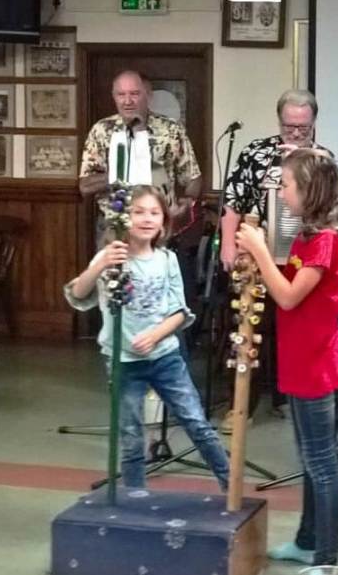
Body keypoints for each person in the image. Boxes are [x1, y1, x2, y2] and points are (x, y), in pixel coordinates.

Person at [64, 185, 229, 491]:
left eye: (154, 213)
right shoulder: (111, 258)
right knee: (130, 434)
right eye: (138, 212)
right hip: (124, 361)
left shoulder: (166, 260)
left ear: (164, 221)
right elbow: (77, 294)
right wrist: (100, 264)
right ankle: (135, 497)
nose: (146, 219)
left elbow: (181, 312)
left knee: (196, 421)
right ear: (123, 218)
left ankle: (229, 486)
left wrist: (155, 335)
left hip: (165, 357)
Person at [234, 149, 338, 567]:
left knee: (322, 464)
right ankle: (306, 541)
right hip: (300, 360)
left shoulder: (326, 241)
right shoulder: (306, 235)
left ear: (309, 190)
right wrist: (256, 260)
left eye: (286, 186)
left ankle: (327, 557)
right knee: (308, 459)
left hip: (317, 364)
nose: (281, 195)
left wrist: (260, 250)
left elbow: (287, 298)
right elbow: (282, 282)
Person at [217, 89, 331, 432]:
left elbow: (332, 209)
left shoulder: (322, 158)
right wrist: (227, 245)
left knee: (295, 331)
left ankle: (288, 398)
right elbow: (233, 202)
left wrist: (307, 157)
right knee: (248, 328)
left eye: (303, 128)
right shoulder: (257, 153)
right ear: (279, 121)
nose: (296, 134)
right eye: (289, 127)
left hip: (303, 259)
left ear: (313, 123)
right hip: (258, 254)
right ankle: (240, 406)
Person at [79, 70, 203, 303]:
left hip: (158, 229)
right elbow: (84, 185)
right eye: (121, 94)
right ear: (114, 97)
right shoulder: (101, 130)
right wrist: (122, 172)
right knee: (115, 298)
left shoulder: (171, 130)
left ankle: (158, 339)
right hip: (115, 228)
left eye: (134, 94)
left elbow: (193, 177)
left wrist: (186, 202)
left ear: (147, 96)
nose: (128, 100)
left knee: (160, 298)